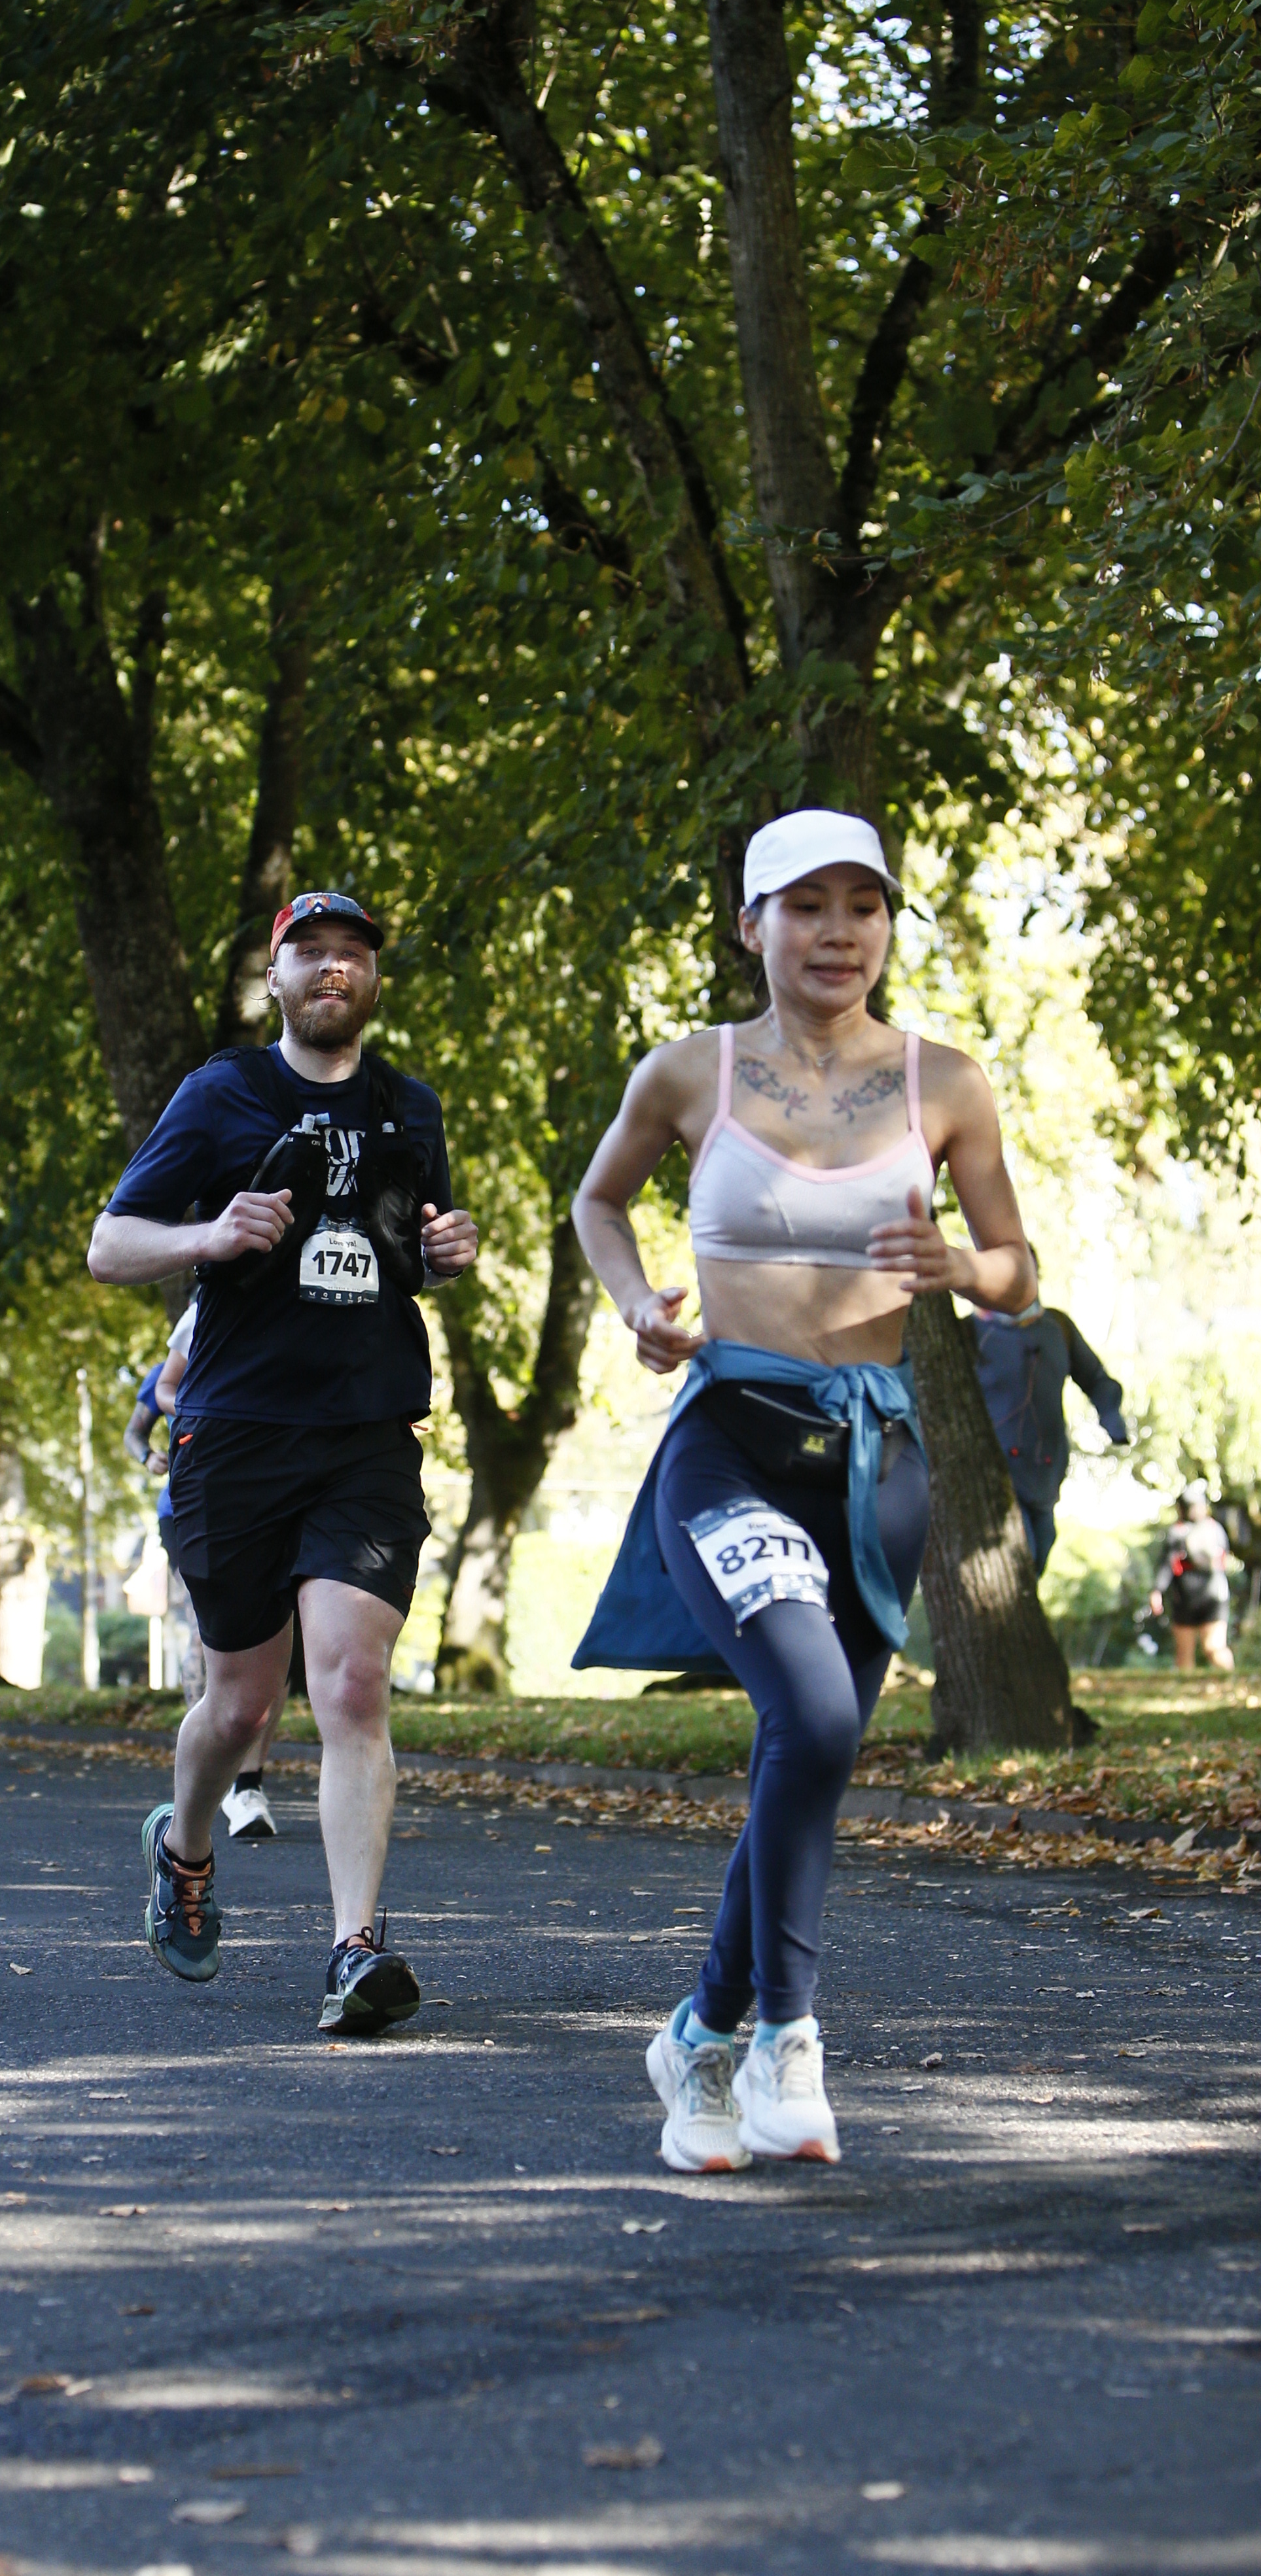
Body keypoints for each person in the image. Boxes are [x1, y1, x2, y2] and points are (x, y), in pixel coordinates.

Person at [571, 808, 1037, 2174]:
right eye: (807, 905)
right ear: (751, 924)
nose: (839, 932)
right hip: (731, 1444)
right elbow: (600, 1203)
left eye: (863, 905)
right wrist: (636, 1308)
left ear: (887, 923)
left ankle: (700, 2041)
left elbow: (1018, 1270)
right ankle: (787, 2036)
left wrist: (961, 1270)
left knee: (812, 1749)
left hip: (875, 1465)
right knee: (817, 1718)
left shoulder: (945, 1083)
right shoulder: (689, 1071)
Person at [87, 888, 479, 2034]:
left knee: (351, 1683)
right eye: (310, 952)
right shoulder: (222, 1094)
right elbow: (110, 1243)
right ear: (277, 977)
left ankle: (356, 1949)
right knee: (241, 1702)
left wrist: (446, 1249)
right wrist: (209, 1235)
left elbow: (411, 1246)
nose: (332, 968)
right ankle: (184, 1846)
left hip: (366, 1433)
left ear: (373, 980)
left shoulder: (409, 1107)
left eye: (353, 953)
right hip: (237, 1434)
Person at [125, 1310, 283, 1838]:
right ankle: (212, 1764)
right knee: (205, 1632)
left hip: (270, 1499)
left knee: (277, 1638)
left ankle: (248, 1783)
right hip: (189, 1506)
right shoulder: (173, 1364)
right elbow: (135, 1430)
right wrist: (149, 1457)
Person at [968, 1254, 1128, 1573]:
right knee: (1021, 1561)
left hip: (1047, 1474)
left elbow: (1095, 1378)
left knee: (1041, 1551)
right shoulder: (969, 1333)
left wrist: (1112, 1416)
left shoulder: (1057, 1328)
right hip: (996, 1480)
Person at [1150, 1482, 1235, 1673]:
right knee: (1204, 1651)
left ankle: (1228, 1682)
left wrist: (1157, 1591)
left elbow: (1167, 1565)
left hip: (1200, 1598)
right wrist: (1157, 1590)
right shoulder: (1214, 1529)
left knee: (1200, 1651)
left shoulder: (1181, 1531)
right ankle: (1228, 1681)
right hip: (1203, 1597)